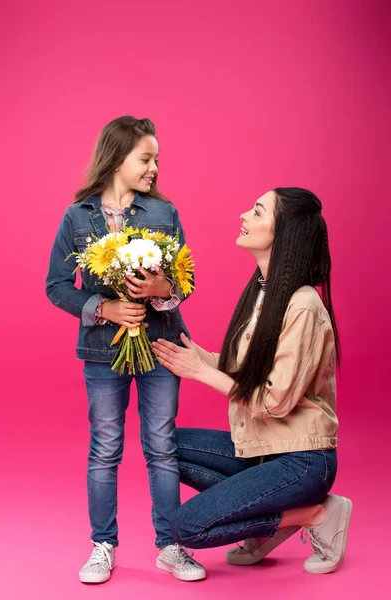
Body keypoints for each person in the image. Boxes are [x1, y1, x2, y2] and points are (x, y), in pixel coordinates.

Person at [153, 187, 352, 575]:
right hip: (261, 448)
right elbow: (241, 371)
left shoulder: (304, 306)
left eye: (258, 211)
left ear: (284, 233)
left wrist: (202, 373)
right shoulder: (262, 295)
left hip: (301, 461)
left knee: (187, 526)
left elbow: (276, 401)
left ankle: (312, 512)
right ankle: (271, 513)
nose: (244, 215)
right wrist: (194, 357)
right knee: (161, 445)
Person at [46, 116, 206, 583]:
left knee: (161, 446)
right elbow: (56, 286)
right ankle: (103, 546)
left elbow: (185, 283)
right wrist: (104, 308)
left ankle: (170, 545)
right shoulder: (77, 217)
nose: (154, 167)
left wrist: (161, 289)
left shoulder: (164, 213)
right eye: (146, 158)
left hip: (160, 347)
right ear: (117, 158)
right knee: (105, 448)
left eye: (156, 159)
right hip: (101, 351)